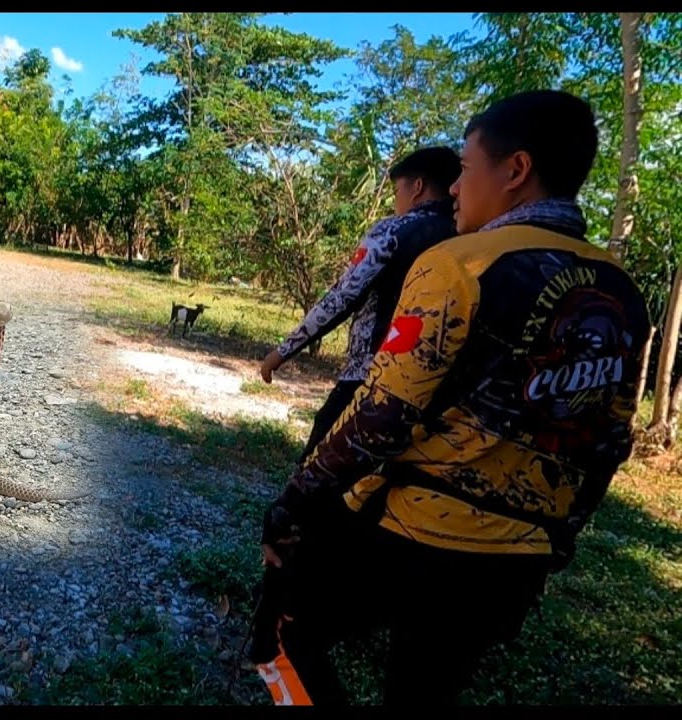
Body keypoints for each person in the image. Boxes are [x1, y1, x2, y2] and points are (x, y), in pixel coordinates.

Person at [250, 89, 651, 706]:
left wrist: (292, 505)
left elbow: (380, 417)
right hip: (517, 561)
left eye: (465, 170)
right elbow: (608, 441)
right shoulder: (622, 291)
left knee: (281, 636)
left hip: (413, 540)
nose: (456, 190)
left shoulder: (461, 264)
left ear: (515, 170)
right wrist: (558, 540)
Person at [260, 147, 461, 465]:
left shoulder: (393, 231)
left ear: (417, 187)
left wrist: (282, 352)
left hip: (371, 376)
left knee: (319, 468)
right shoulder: (466, 237)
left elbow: (342, 296)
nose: (396, 201)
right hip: (436, 389)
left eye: (398, 190)